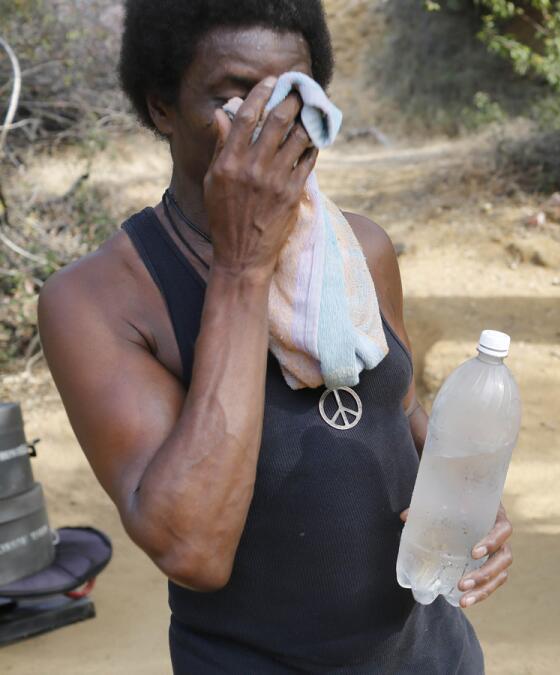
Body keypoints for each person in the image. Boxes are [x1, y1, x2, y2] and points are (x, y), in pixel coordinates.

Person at [37, 1, 511, 672]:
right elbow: (192, 548)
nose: (269, 121)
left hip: (433, 657)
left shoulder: (360, 249)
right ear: (162, 108)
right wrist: (241, 265)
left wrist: (472, 504)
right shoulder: (98, 301)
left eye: (295, 93)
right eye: (232, 96)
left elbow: (398, 413)